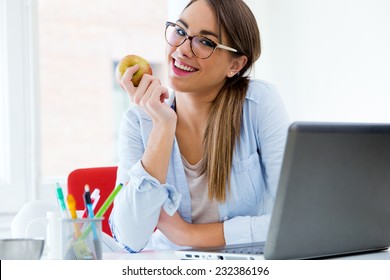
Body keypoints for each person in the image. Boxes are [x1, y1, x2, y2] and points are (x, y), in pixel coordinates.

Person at [109, 0, 290, 253]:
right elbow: (130, 237)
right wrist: (162, 127)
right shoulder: (139, 121)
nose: (182, 49)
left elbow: (291, 220)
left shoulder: (258, 105)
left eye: (205, 42)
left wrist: (188, 234)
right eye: (181, 31)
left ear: (235, 65)